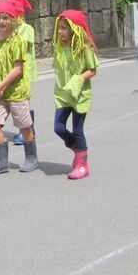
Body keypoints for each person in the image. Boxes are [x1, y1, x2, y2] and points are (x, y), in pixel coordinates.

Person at [0, 0, 39, 175]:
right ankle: (1, 162)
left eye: (6, 18)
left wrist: (0, 86)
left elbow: (18, 69)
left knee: (23, 126)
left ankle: (31, 158)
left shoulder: (18, 42)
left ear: (13, 20)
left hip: (16, 92)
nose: (2, 21)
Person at [52, 9, 99, 180]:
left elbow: (92, 70)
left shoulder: (84, 48)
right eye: (59, 28)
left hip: (79, 95)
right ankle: (78, 149)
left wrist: (79, 79)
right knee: (58, 127)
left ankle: (82, 164)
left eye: (64, 28)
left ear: (74, 29)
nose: (60, 31)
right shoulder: (59, 46)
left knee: (78, 131)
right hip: (63, 94)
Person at [9, 0, 36, 145]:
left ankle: (24, 130)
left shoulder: (27, 29)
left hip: (25, 68)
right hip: (13, 68)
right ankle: (28, 127)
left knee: (23, 99)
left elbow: (23, 45)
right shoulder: (10, 29)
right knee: (16, 100)